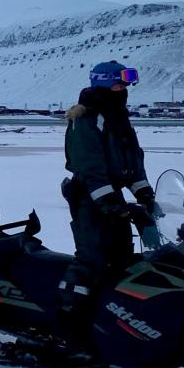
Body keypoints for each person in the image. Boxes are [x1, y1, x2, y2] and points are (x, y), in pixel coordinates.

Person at [58, 61, 155, 328]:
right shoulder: (88, 117)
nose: (124, 87)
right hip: (89, 197)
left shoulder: (118, 117)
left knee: (122, 259)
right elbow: (89, 165)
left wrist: (144, 191)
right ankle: (68, 322)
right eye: (119, 82)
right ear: (103, 82)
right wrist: (108, 201)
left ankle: (113, 320)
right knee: (93, 258)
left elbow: (132, 160)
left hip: (113, 198)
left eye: (127, 82)